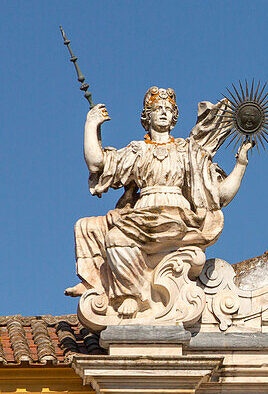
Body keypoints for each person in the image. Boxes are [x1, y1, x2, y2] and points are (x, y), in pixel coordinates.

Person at [68, 87, 252, 317]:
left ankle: (131, 296)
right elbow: (98, 165)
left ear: (174, 116)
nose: (163, 113)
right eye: (157, 109)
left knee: (115, 237)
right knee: (89, 227)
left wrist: (241, 165)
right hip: (142, 213)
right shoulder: (138, 150)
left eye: (168, 109)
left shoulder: (187, 151)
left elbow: (219, 195)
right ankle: (113, 288)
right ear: (147, 116)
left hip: (176, 215)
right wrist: (91, 125)